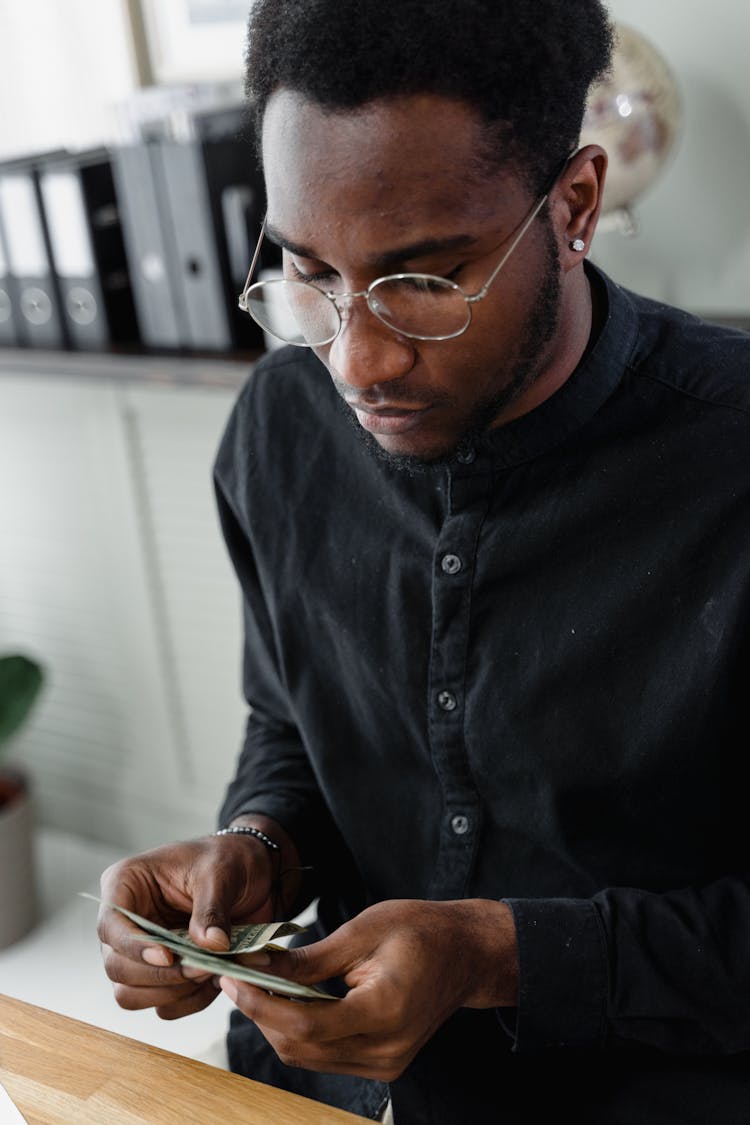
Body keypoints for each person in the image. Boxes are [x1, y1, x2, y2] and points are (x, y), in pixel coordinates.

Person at [97, 2, 750, 1121]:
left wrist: (503, 954)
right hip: (316, 1090)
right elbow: (295, 724)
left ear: (577, 203)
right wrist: (259, 850)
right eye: (310, 272)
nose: (358, 358)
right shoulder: (280, 427)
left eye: (425, 280)